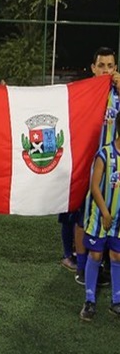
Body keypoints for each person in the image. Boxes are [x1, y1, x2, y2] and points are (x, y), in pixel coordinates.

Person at [63, 47, 120, 285]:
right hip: (84, 161)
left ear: (115, 69)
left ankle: (104, 263)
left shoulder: (117, 95)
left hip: (112, 165)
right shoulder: (84, 93)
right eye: (102, 66)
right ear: (93, 68)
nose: (106, 70)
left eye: (110, 66)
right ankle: (81, 266)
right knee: (80, 213)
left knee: (109, 212)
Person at [79, 114, 120, 321]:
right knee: (95, 256)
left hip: (119, 219)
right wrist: (104, 212)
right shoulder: (105, 154)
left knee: (116, 256)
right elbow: (95, 186)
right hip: (100, 215)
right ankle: (89, 300)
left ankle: (117, 301)